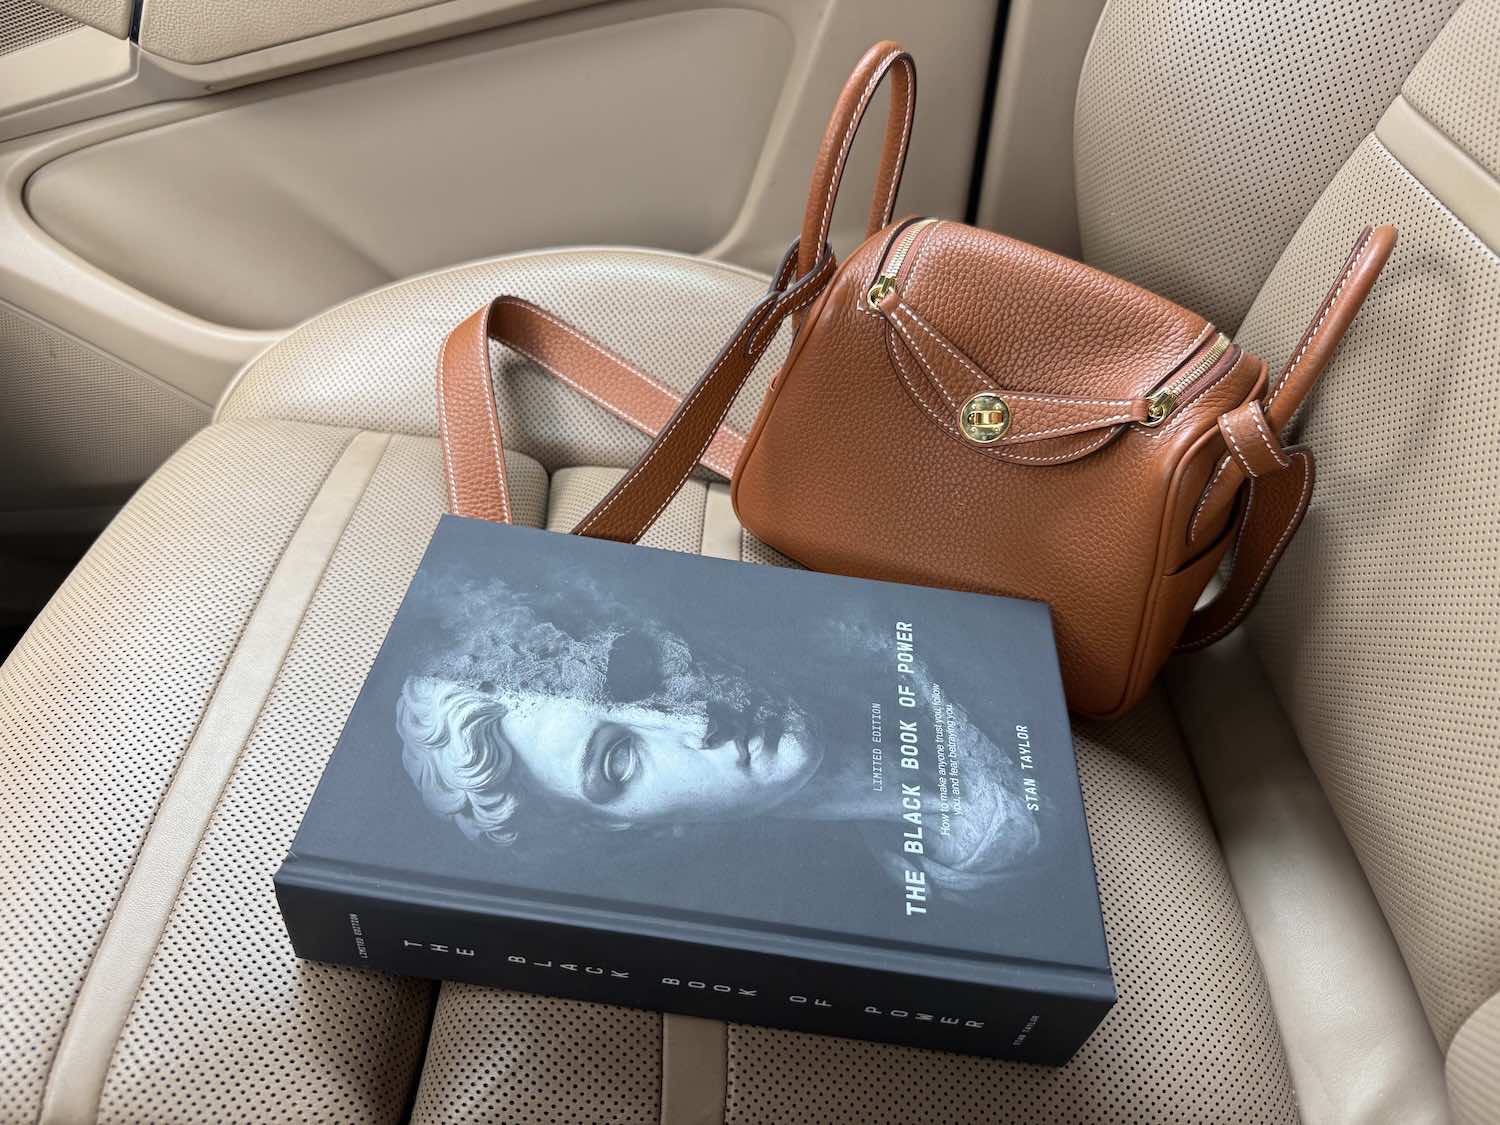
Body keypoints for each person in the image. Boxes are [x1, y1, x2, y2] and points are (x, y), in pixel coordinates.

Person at [397, 570, 1040, 900]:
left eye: (633, 672)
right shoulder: (913, 876)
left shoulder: (904, 627)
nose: (693, 720)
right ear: (625, 827)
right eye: (618, 763)